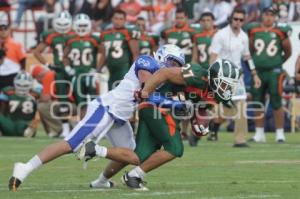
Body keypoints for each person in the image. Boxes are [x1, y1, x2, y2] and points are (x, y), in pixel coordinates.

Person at [8, 44, 184, 192]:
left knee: (132, 155)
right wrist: (176, 104)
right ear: (161, 56)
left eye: (176, 64)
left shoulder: (163, 79)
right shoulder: (148, 61)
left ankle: (100, 180)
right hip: (106, 108)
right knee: (71, 144)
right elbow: (146, 92)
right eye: (172, 61)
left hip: (119, 118)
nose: (173, 66)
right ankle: (26, 167)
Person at [79, 59, 241, 190]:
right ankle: (134, 176)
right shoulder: (197, 75)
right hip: (159, 105)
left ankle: (99, 168)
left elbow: (199, 110)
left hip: (156, 110)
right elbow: (164, 72)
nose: (227, 89)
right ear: (214, 77)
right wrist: (146, 91)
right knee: (175, 148)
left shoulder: (215, 95)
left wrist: (199, 126)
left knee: (138, 156)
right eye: (226, 84)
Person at [209, 8, 261, 147]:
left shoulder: (244, 36)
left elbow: (247, 57)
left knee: (241, 108)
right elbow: (213, 57)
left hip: (237, 78)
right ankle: (209, 126)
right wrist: (212, 76)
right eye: (235, 19)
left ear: (244, 21)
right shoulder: (220, 35)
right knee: (222, 110)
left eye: (241, 20)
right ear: (230, 19)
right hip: (221, 76)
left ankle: (240, 140)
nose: (238, 22)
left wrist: (255, 74)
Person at [246, 7, 292, 143]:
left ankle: (280, 133)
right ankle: (259, 133)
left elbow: (288, 51)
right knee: (257, 100)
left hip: (274, 72)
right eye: (266, 14)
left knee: (276, 100)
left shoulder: (280, 31)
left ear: (275, 17)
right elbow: (250, 49)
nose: (268, 18)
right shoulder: (254, 30)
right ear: (262, 15)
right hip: (258, 72)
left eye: (271, 15)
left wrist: (277, 63)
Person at [161, 7, 200, 141]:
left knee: (186, 100)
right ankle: (172, 129)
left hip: (185, 71)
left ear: (186, 19)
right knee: (172, 99)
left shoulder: (192, 32)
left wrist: (193, 65)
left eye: (181, 18)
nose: (179, 20)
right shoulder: (168, 32)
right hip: (171, 71)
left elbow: (195, 49)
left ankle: (184, 131)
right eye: (177, 18)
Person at [33, 11, 74, 138]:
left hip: (75, 69)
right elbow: (37, 52)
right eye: (60, 24)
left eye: (65, 24)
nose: (62, 27)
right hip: (60, 70)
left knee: (83, 98)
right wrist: (48, 65)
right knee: (62, 99)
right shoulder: (50, 35)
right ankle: (66, 128)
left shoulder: (76, 33)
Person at [63, 13, 101, 118]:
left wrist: (97, 69)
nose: (82, 28)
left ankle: (94, 124)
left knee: (94, 101)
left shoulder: (94, 39)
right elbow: (64, 56)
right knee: (80, 102)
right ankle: (82, 125)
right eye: (80, 26)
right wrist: (67, 67)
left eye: (84, 26)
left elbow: (103, 54)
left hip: (90, 74)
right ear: (75, 26)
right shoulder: (70, 39)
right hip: (77, 75)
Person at [97, 9, 140, 90]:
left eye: (121, 19)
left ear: (125, 20)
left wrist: (133, 71)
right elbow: (103, 53)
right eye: (116, 18)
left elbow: (135, 53)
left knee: (122, 93)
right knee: (110, 93)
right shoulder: (105, 33)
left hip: (123, 69)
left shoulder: (128, 32)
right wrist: (98, 68)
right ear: (112, 19)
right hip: (109, 69)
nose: (118, 21)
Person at [0, 71, 38, 137]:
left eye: (25, 85)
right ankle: (28, 131)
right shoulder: (35, 94)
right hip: (23, 124)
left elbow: (2, 110)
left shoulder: (7, 91)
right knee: (32, 122)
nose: (22, 87)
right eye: (20, 85)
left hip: (11, 123)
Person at [0, 21, 26, 90]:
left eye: (5, 28)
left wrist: (22, 74)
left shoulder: (16, 44)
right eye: (1, 29)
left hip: (13, 74)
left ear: (9, 30)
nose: (3, 31)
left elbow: (23, 59)